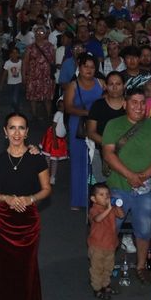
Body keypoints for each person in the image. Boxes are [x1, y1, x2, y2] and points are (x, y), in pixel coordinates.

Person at [0, 112, 51, 300]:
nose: (16, 133)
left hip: (28, 223)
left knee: (25, 273)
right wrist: (7, 198)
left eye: (21, 128)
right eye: (12, 128)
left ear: (27, 132)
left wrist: (30, 198)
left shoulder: (37, 159)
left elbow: (46, 189)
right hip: (4, 221)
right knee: (5, 273)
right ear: (5, 132)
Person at [102, 86, 151, 283]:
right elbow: (108, 154)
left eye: (142, 103)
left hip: (145, 188)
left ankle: (141, 266)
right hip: (119, 185)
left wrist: (145, 175)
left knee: (144, 229)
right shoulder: (113, 125)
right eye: (134, 102)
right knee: (110, 228)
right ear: (125, 104)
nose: (139, 107)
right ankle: (104, 268)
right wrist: (130, 175)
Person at [64, 54, 104, 211]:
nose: (89, 70)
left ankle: (96, 198)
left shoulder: (101, 83)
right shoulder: (73, 85)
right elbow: (68, 108)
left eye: (92, 67)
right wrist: (89, 113)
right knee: (78, 162)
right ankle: (77, 200)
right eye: (85, 66)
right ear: (79, 68)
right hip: (78, 126)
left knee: (95, 161)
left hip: (96, 126)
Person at [87, 182, 125, 300]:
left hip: (110, 244)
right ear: (93, 199)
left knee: (108, 267)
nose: (106, 197)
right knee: (97, 268)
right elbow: (98, 219)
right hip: (97, 245)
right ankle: (97, 288)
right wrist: (108, 209)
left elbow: (121, 215)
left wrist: (117, 206)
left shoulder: (111, 208)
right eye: (101, 195)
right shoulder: (94, 209)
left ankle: (105, 285)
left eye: (107, 194)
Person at [23, 26, 56, 120]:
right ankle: (34, 115)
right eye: (37, 32)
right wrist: (24, 76)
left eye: (41, 33)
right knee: (33, 97)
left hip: (46, 76)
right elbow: (25, 63)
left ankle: (48, 115)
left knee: (47, 97)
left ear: (45, 34)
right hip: (33, 76)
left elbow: (53, 61)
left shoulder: (50, 47)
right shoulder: (30, 47)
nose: (39, 34)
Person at [39, 97, 68, 185]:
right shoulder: (58, 114)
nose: (62, 108)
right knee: (48, 158)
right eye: (60, 107)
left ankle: (53, 176)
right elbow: (54, 127)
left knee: (55, 159)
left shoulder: (67, 115)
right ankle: (46, 175)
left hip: (60, 139)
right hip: (53, 138)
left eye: (64, 106)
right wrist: (54, 140)